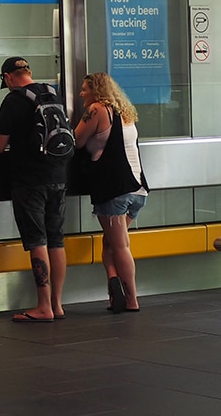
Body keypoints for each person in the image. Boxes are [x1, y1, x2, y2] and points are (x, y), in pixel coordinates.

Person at [0, 57, 68, 322]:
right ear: (28, 73)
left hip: (29, 180)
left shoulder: (14, 100)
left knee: (37, 240)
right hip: (58, 175)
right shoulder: (52, 93)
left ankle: (43, 306)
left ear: (8, 77)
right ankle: (56, 304)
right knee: (56, 239)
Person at [74, 73, 149, 313]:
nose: (81, 93)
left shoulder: (97, 110)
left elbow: (76, 140)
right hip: (138, 189)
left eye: (85, 89)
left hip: (114, 189)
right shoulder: (125, 112)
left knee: (120, 246)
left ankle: (131, 300)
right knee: (111, 242)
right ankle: (112, 284)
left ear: (96, 91)